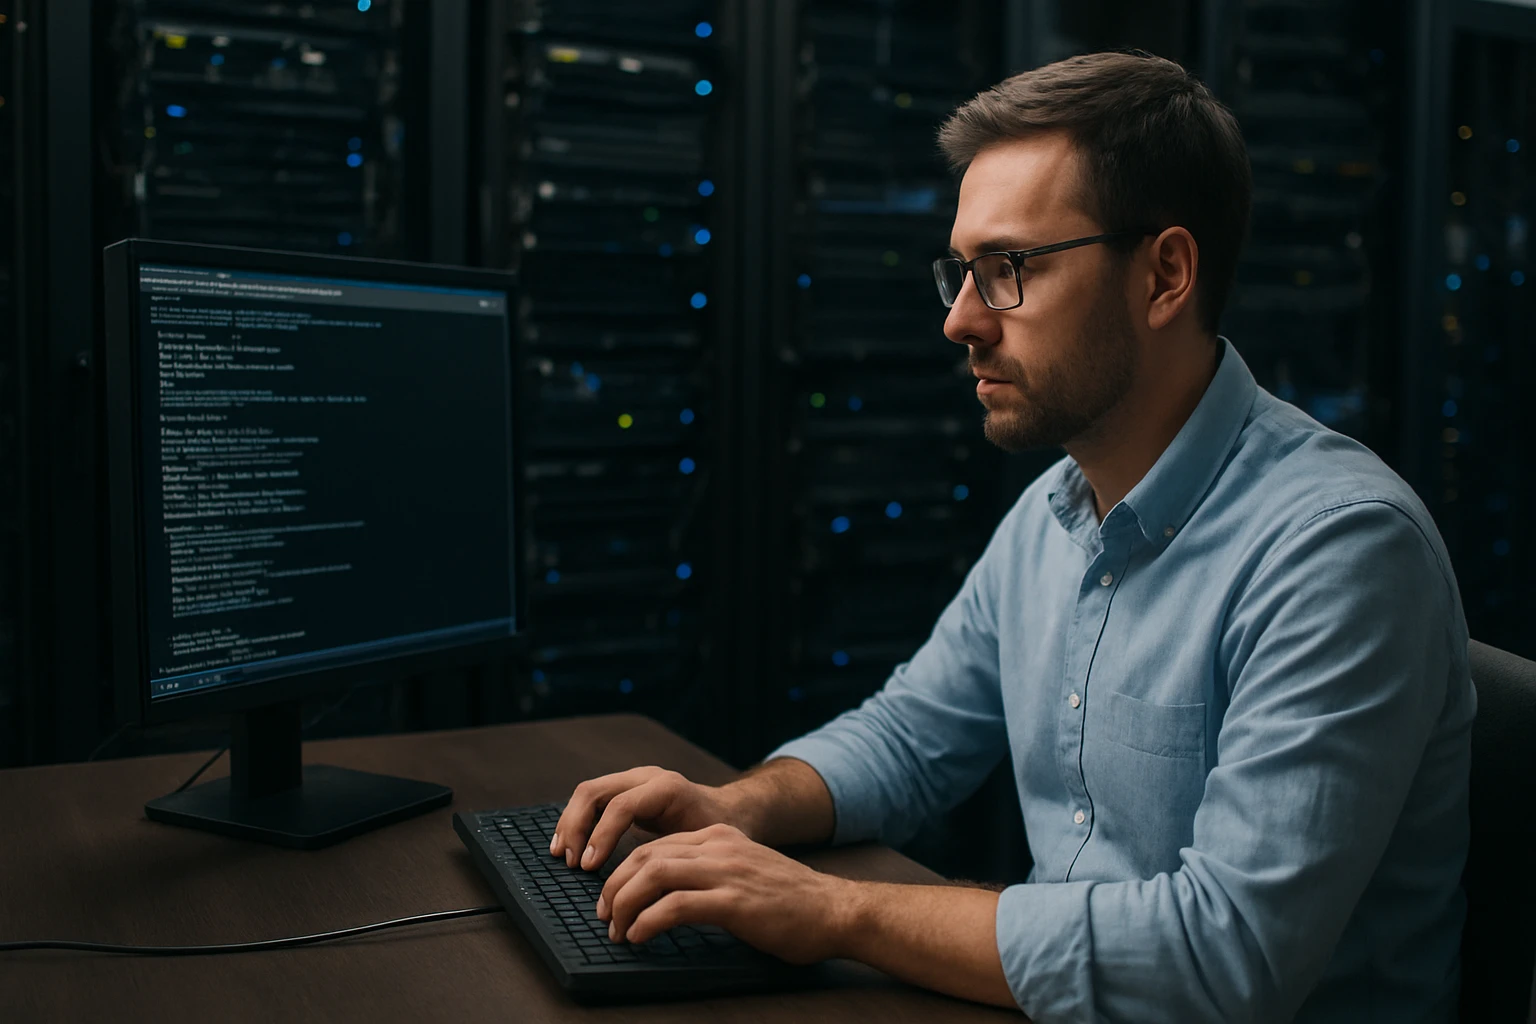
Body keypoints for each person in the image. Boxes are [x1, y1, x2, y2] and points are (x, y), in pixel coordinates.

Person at [548, 51, 1475, 1023]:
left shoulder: (1340, 552)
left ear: (1164, 274)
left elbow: (1223, 958)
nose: (960, 320)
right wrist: (739, 806)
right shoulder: (1054, 515)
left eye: (1009, 271)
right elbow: (909, 738)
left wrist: (831, 909)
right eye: (962, 271)